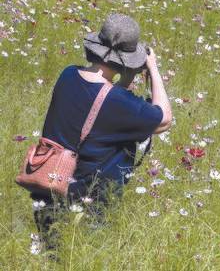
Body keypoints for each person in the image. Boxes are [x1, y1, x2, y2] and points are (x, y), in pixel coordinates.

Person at [31, 14, 172, 254]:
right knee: (82, 257)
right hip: (88, 200)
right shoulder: (120, 103)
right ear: (129, 58)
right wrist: (153, 69)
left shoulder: (68, 75)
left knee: (49, 255)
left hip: (48, 185)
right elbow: (164, 119)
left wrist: (126, 78)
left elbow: (99, 103)